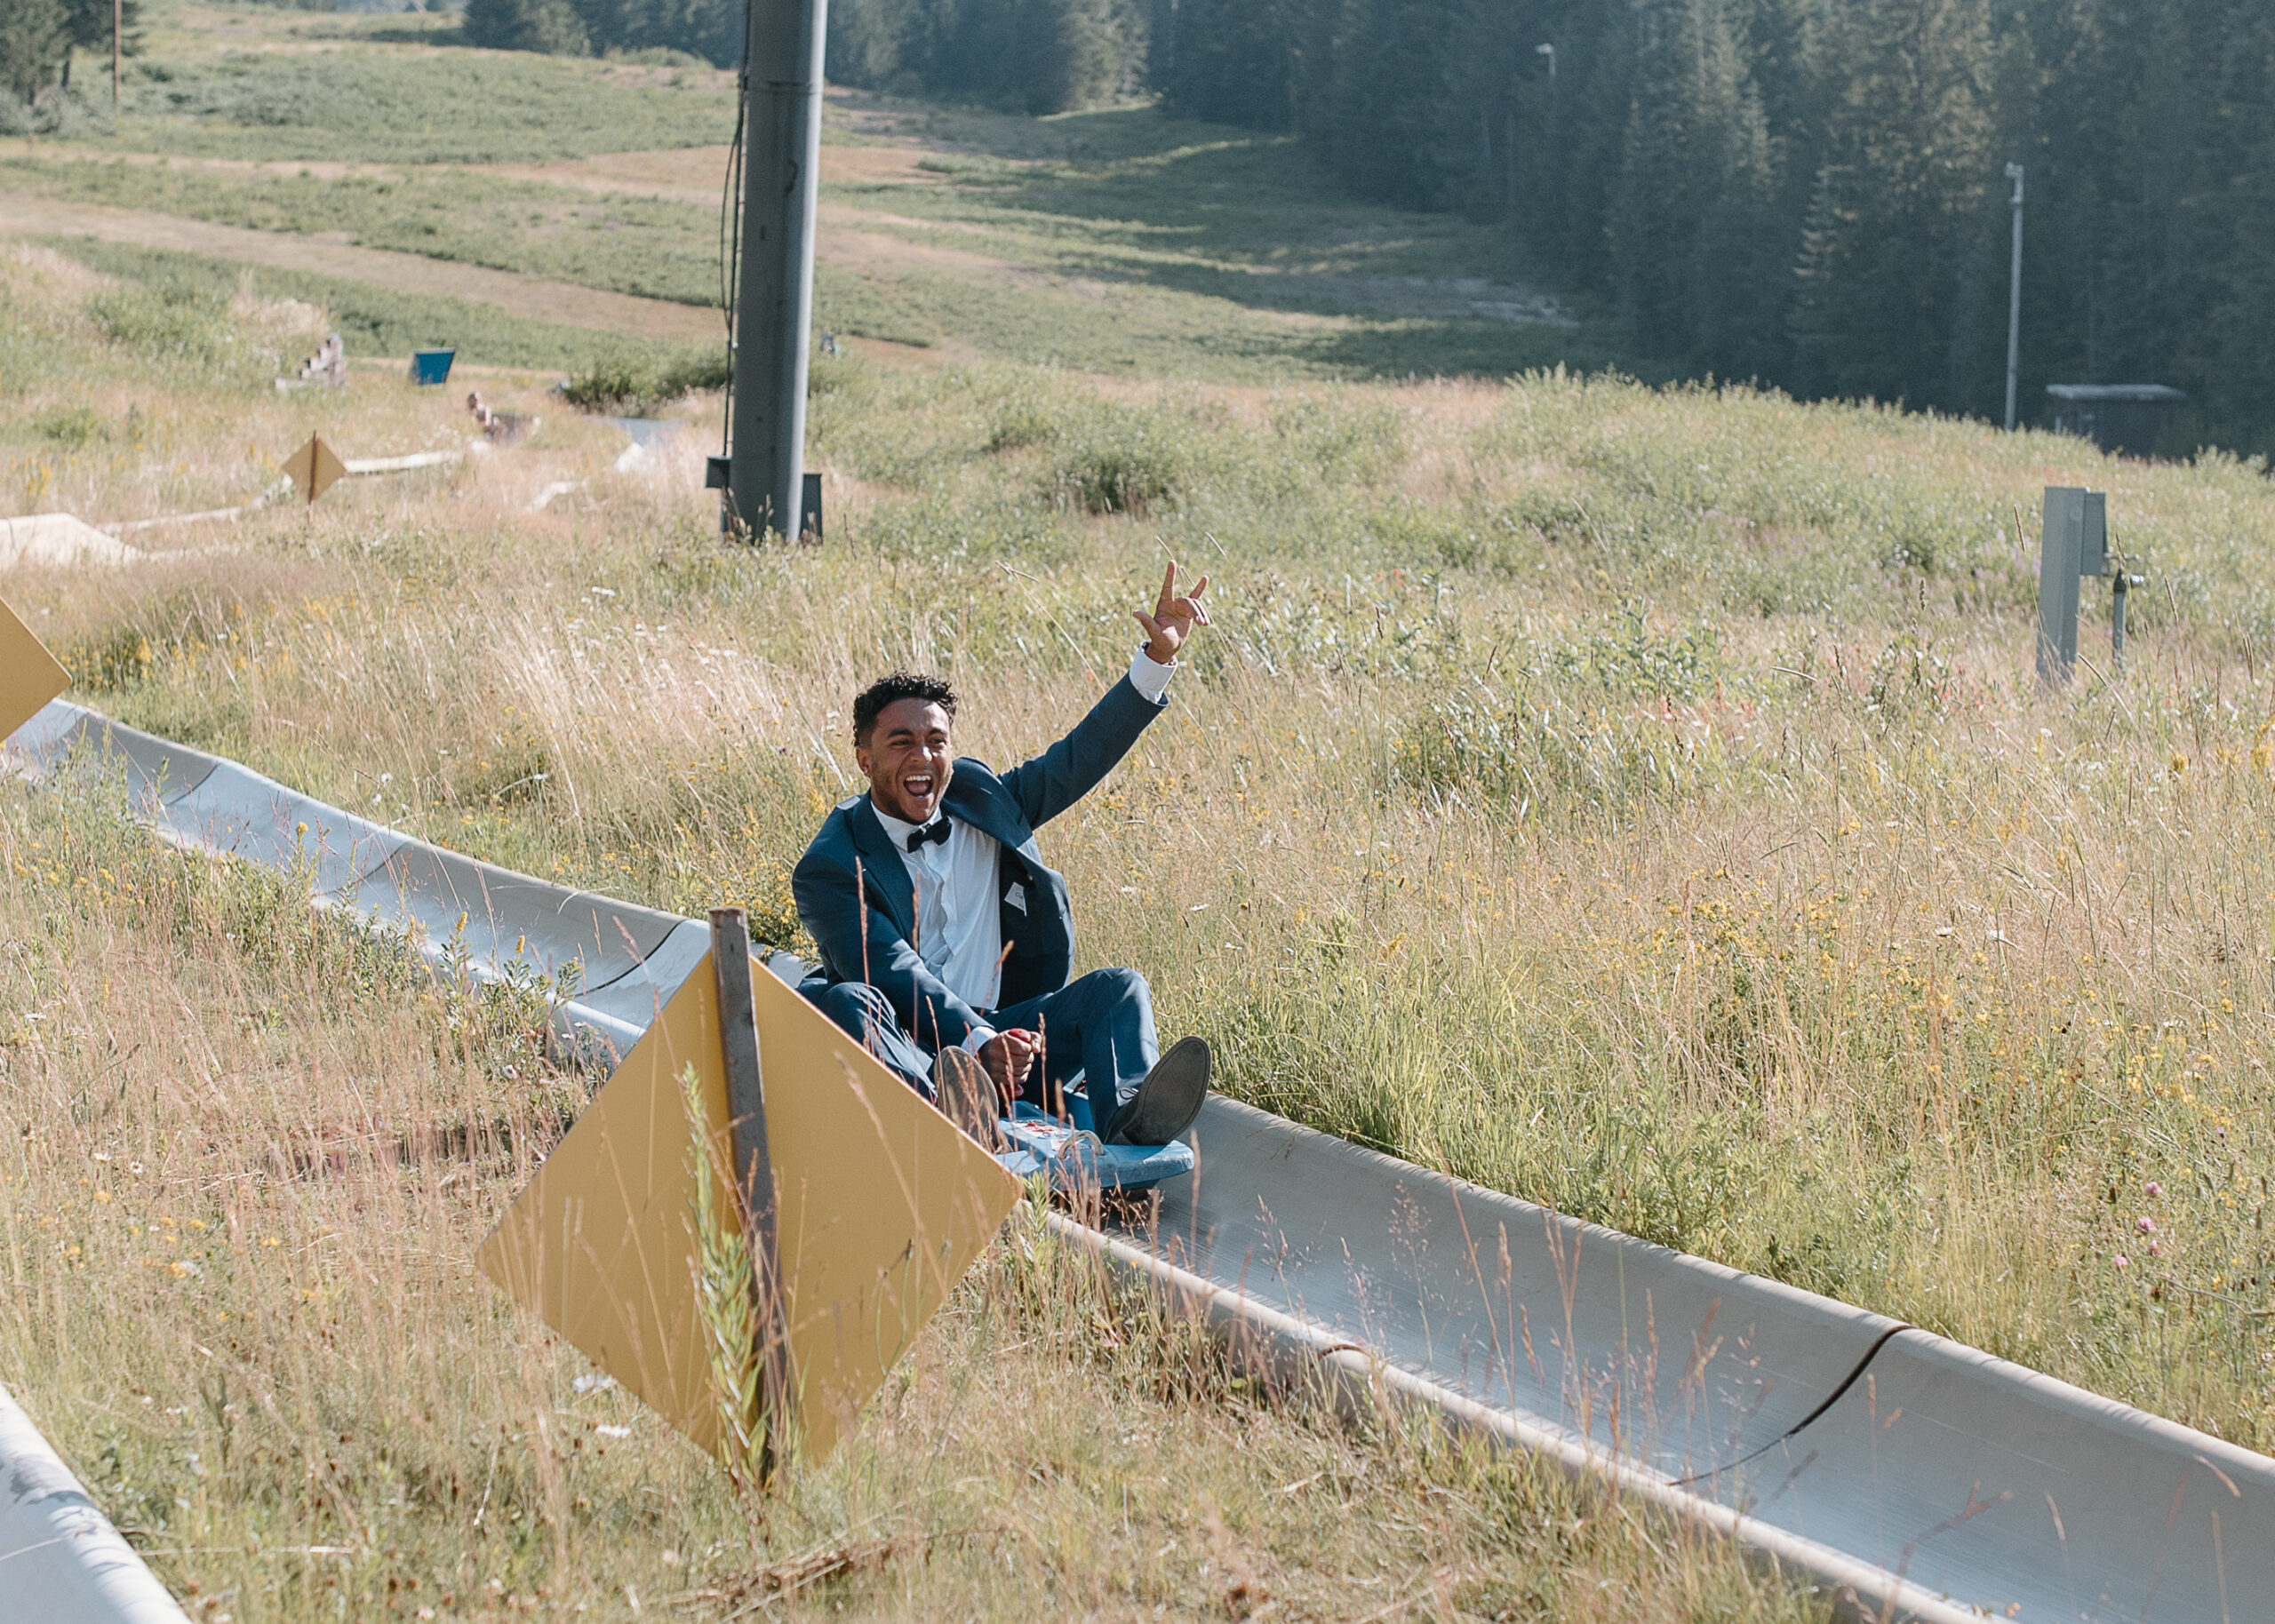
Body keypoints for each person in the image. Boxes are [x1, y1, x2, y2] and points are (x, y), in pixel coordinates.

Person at [794, 562, 1215, 1149]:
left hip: (1011, 1043)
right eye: (901, 743)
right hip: (914, 1049)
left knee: (1119, 987)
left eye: (935, 741)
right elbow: (890, 969)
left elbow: (1075, 760)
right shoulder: (832, 864)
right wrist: (973, 1043)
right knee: (846, 999)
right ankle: (945, 1111)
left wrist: (1155, 662)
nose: (922, 757)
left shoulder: (981, 797)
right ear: (865, 760)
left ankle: (1127, 1119)